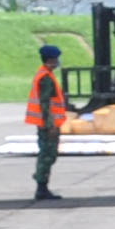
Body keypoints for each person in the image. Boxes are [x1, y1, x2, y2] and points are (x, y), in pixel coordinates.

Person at [26, 43, 69, 201]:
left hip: (46, 123)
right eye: (56, 59)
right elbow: (45, 104)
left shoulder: (44, 74)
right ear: (51, 59)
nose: (58, 62)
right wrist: (50, 125)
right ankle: (41, 186)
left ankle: (41, 181)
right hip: (47, 124)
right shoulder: (45, 78)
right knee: (47, 155)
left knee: (48, 155)